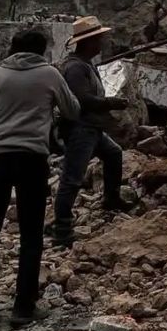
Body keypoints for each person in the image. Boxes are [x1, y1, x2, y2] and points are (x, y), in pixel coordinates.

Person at [0, 29, 79, 326]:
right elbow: (73, 110)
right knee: (30, 235)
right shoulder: (49, 75)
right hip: (32, 159)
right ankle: (23, 306)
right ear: (41, 51)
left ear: (12, 48)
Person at [48, 16, 130, 247]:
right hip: (80, 129)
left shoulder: (84, 64)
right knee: (72, 179)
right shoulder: (75, 68)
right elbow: (83, 100)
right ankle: (62, 230)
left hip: (92, 127)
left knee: (114, 154)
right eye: (99, 39)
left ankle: (111, 199)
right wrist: (112, 103)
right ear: (89, 42)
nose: (102, 43)